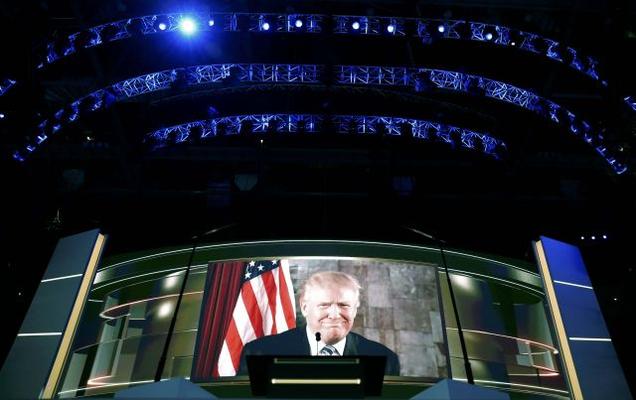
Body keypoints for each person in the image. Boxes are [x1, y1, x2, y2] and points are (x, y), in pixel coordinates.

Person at [238, 270, 400, 375]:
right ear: (305, 307)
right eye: (324, 305)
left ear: (355, 310)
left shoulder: (385, 360)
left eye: (344, 305)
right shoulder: (260, 353)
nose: (335, 314)